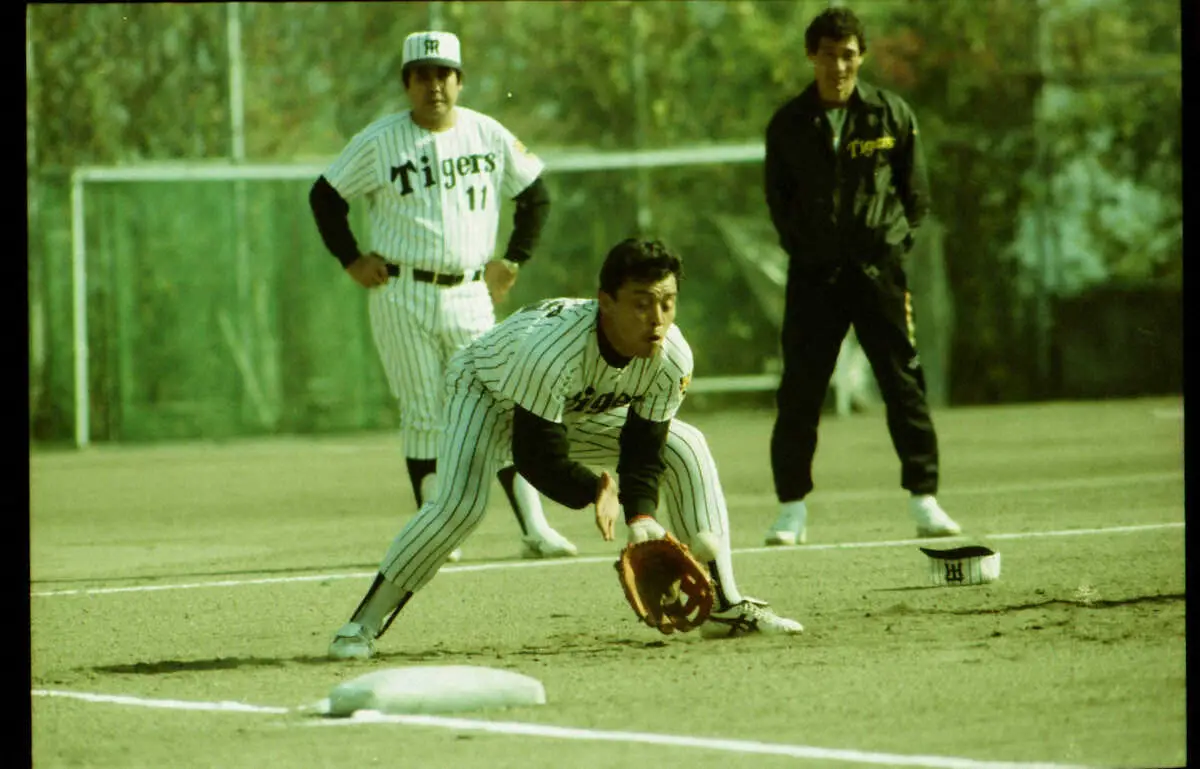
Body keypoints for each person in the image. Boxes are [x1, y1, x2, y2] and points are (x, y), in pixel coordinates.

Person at [327, 238, 804, 659]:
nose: (656, 320)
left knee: (685, 443)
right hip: (486, 393)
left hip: (570, 410)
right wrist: (595, 487)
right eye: (641, 304)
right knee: (459, 507)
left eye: (667, 303)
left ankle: (725, 608)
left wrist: (641, 518)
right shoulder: (553, 352)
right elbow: (533, 454)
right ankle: (361, 624)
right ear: (605, 303)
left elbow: (644, 446)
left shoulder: (671, 355)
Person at [308, 30, 576, 562]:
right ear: (407, 84)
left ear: (459, 80)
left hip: (472, 292)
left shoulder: (487, 132)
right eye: (422, 75)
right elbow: (325, 195)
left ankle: (533, 526)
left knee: (498, 404)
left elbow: (535, 194)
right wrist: (351, 259)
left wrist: (514, 259)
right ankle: (435, 529)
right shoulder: (380, 140)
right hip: (401, 291)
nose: (434, 85)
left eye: (444, 74)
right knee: (424, 410)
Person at [761, 7, 962, 546]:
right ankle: (791, 511)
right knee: (800, 392)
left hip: (879, 277)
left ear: (861, 56)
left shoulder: (891, 114)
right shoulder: (787, 124)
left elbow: (915, 199)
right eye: (828, 54)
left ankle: (924, 500)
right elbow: (778, 202)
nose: (839, 65)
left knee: (903, 384)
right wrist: (808, 250)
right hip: (814, 279)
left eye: (848, 54)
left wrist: (890, 252)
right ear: (813, 56)